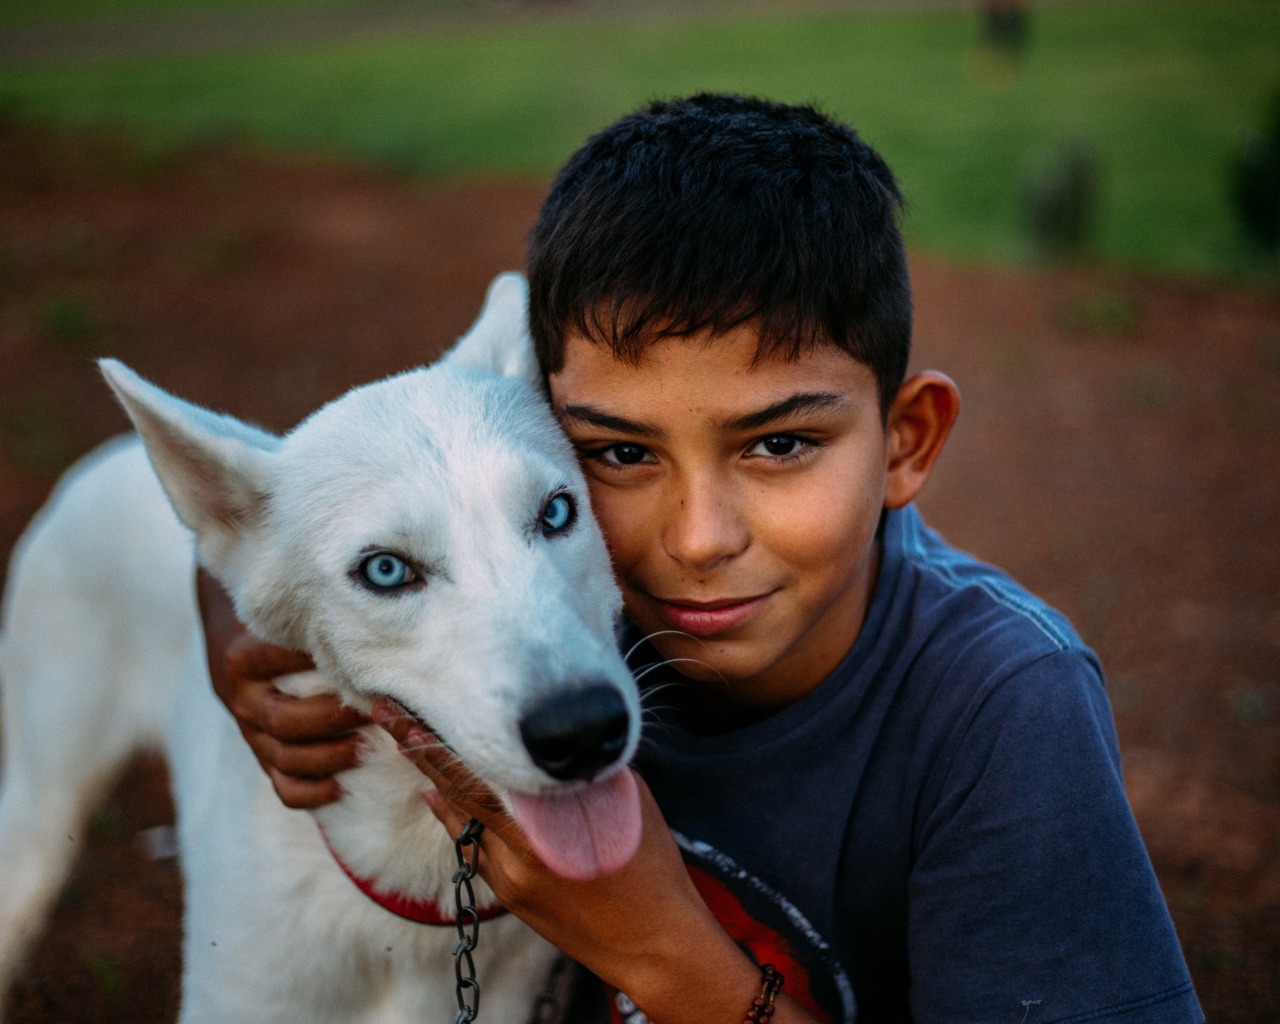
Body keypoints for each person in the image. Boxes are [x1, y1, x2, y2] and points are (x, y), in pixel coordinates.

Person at [197, 95, 1202, 1024]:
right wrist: (233, 629)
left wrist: (662, 955)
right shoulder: (570, 609)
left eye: (780, 443)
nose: (698, 539)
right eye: (620, 455)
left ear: (905, 442)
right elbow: (366, 493)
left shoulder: (999, 705)